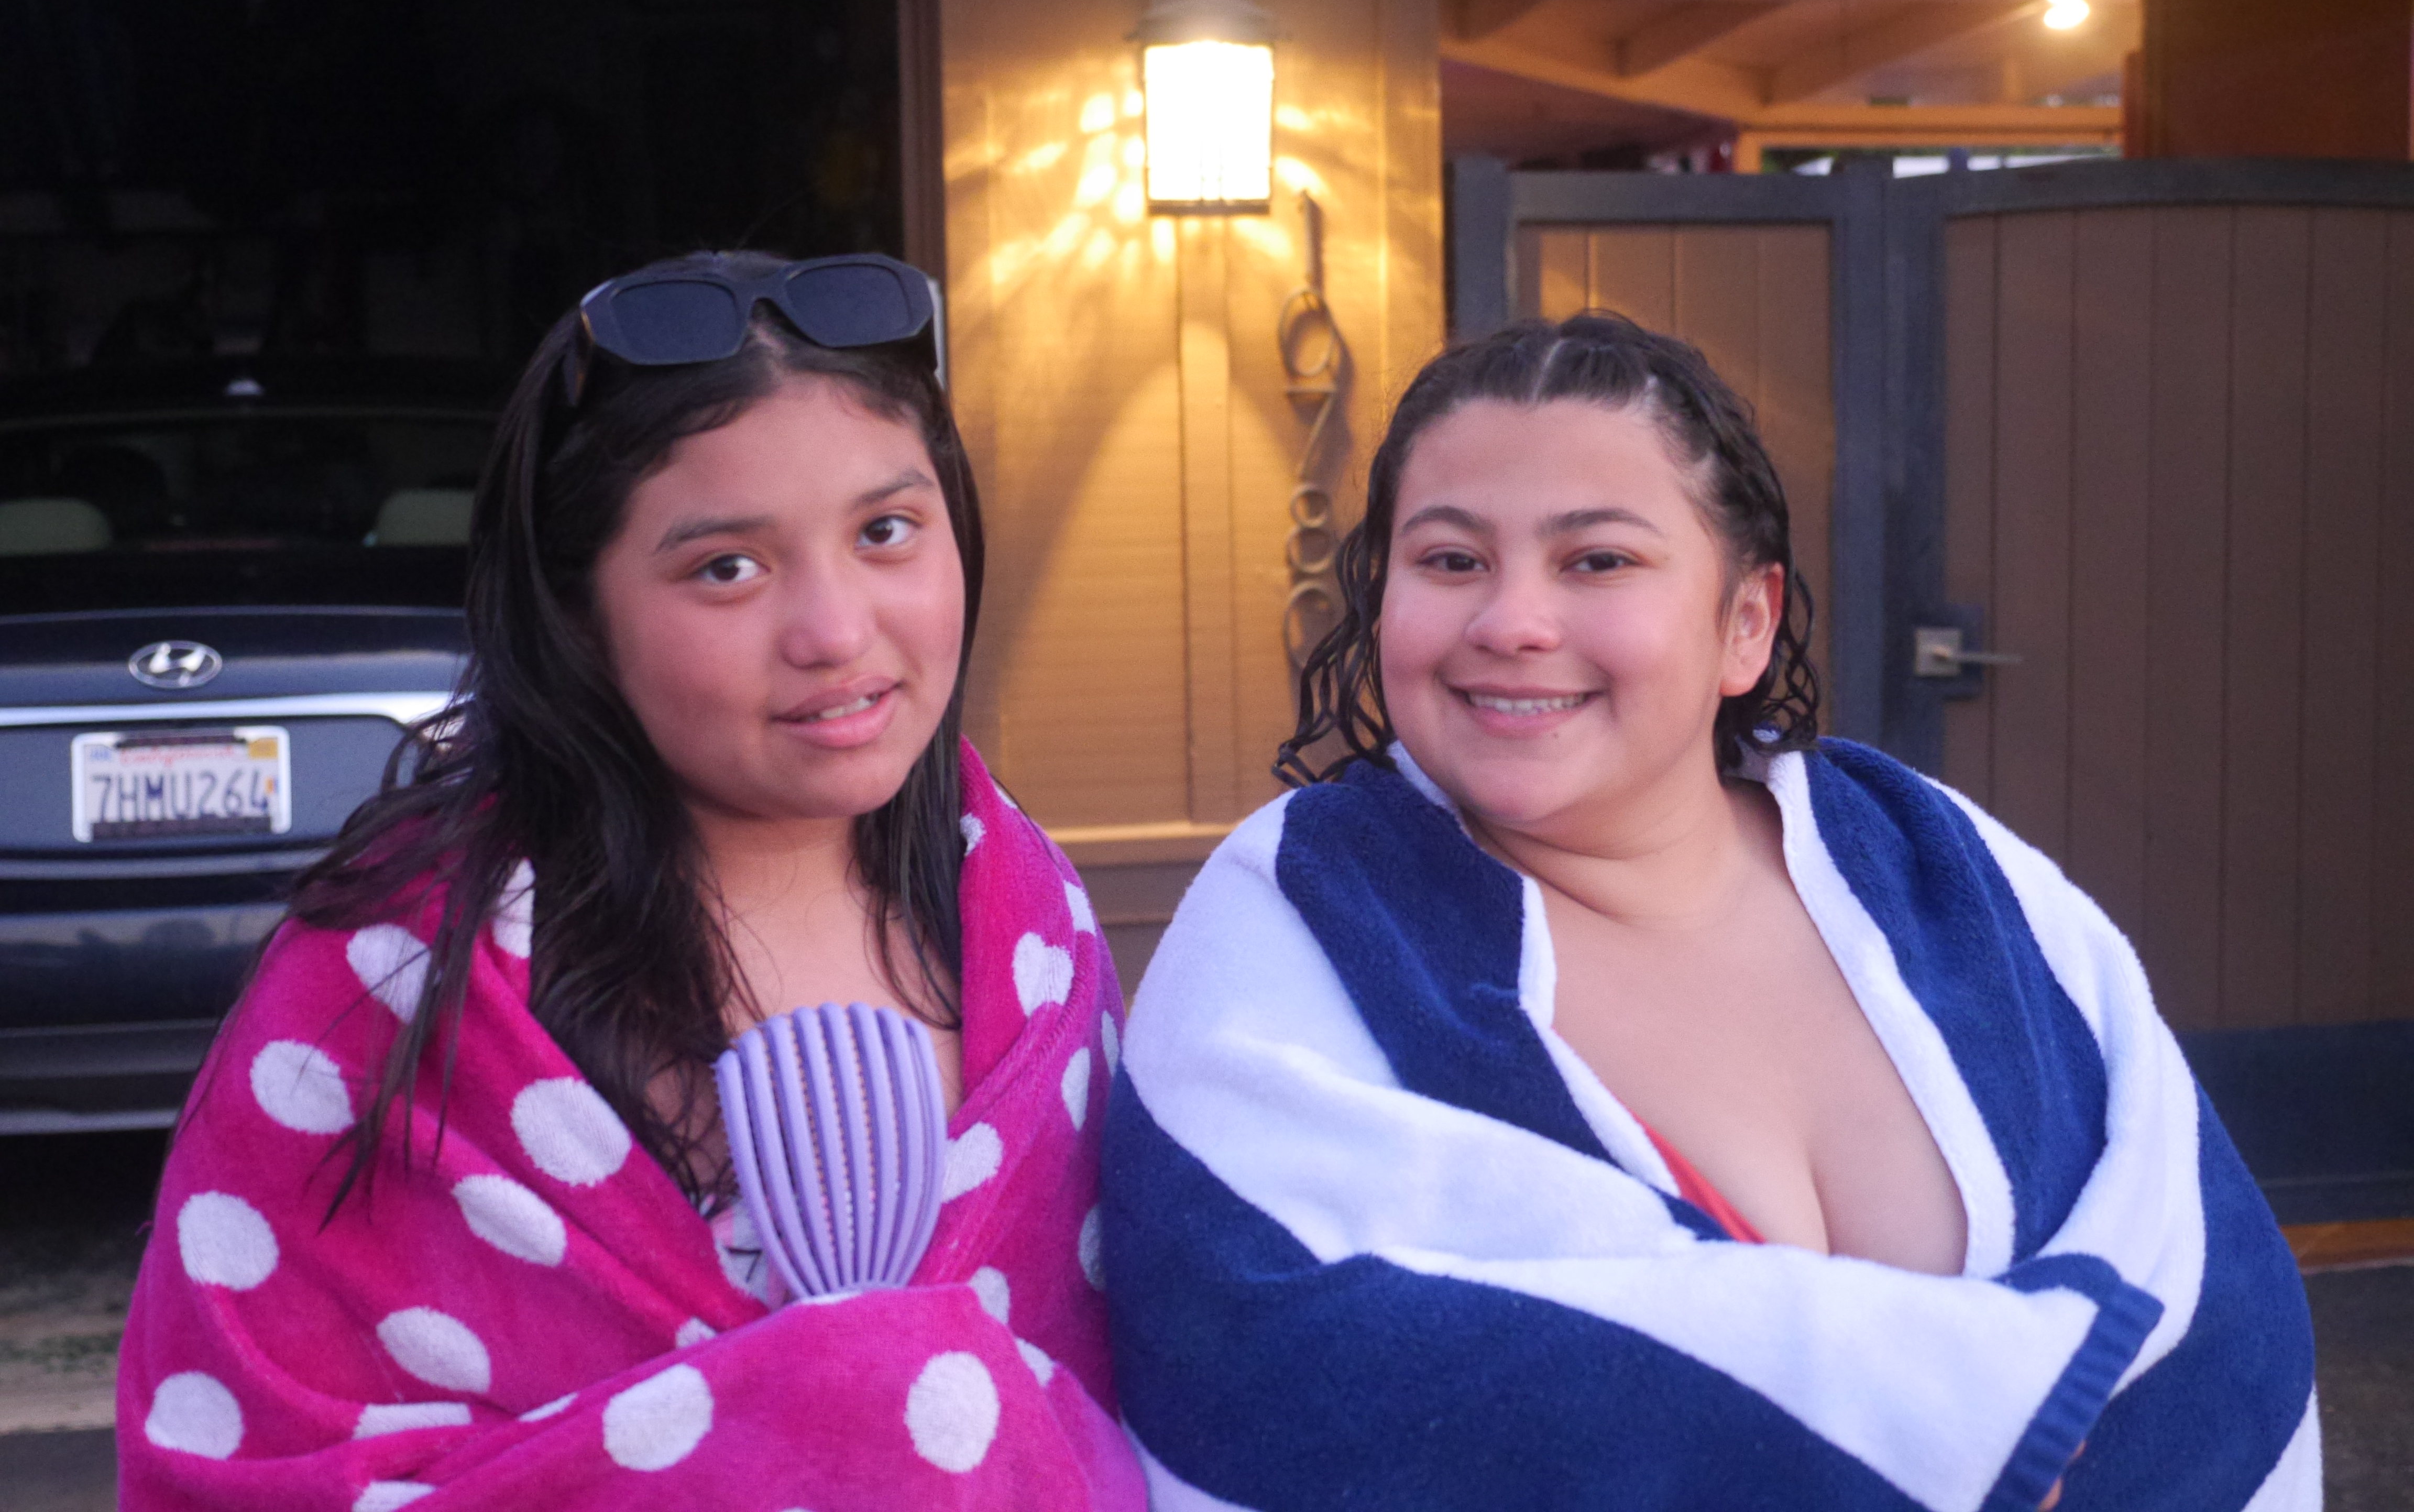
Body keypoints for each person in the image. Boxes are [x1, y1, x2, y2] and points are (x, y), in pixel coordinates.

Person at [1102, 313, 2318, 1511]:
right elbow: (1259, 1355)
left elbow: (2200, 1285)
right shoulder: (1295, 922)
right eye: (1452, 560)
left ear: (1745, 623)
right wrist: (1945, 1442)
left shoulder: (1948, 870)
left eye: (1598, 561)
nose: (1511, 621)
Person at [118, 251, 1145, 1510]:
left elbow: (1128, 1370)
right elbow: (248, 1462)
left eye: (885, 532)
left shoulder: (1024, 917)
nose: (835, 630)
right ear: (577, 613)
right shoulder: (387, 983)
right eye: (728, 568)